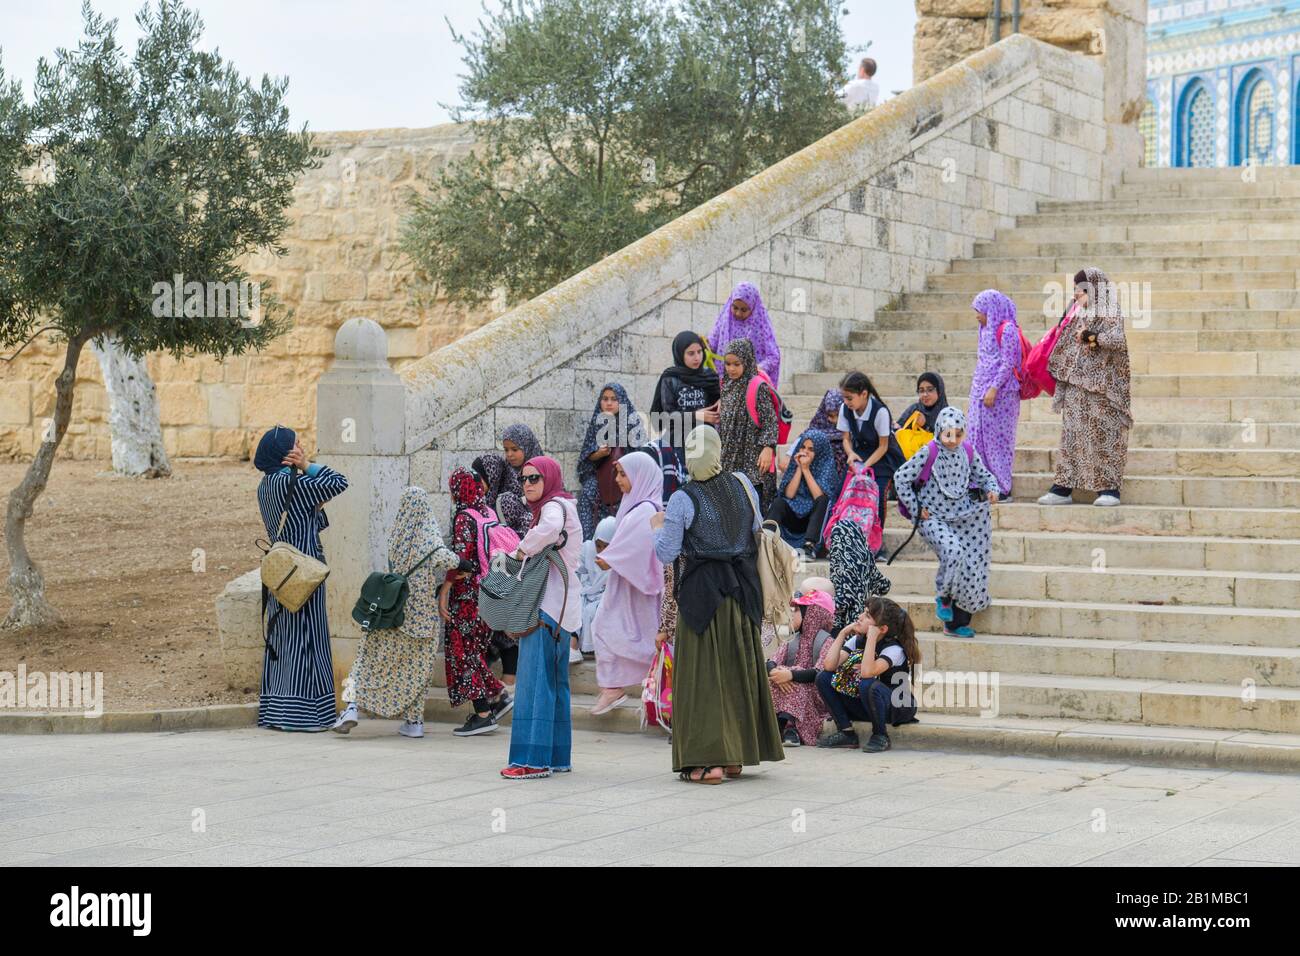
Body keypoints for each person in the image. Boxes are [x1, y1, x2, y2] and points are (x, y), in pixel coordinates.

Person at [652, 425, 784, 784]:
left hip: (701, 598)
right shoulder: (741, 483)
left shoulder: (683, 498)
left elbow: (667, 551)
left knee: (703, 680)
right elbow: (754, 529)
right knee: (736, 672)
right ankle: (736, 757)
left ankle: (707, 762)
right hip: (741, 591)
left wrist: (655, 532)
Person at [333, 486, 467, 738]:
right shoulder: (430, 538)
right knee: (418, 670)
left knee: (366, 660)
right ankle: (414, 722)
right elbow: (447, 559)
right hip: (422, 619)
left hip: (391, 611)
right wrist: (464, 563)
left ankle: (351, 707)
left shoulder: (397, 533)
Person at [254, 426, 349, 732]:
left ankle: (277, 711)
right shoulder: (294, 479)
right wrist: (307, 465)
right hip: (305, 571)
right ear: (285, 453)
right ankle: (307, 715)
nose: (301, 447)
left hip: (280, 573)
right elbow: (339, 482)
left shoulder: (266, 484)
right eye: (295, 445)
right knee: (308, 638)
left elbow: (306, 517)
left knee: (283, 640)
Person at [502, 456, 583, 779]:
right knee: (553, 684)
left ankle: (531, 760)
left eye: (534, 478)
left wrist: (521, 550)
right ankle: (556, 756)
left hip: (546, 609)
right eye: (523, 479)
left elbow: (548, 529)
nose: (528, 484)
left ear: (548, 478)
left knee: (534, 683)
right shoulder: (565, 506)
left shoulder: (554, 509)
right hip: (562, 610)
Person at [893, 406, 1000, 638]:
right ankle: (944, 596)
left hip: (964, 517)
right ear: (939, 431)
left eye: (958, 434)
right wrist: (915, 507)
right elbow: (901, 477)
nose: (952, 440)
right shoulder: (928, 452)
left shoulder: (968, 452)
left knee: (972, 563)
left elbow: (985, 476)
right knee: (953, 552)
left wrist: (992, 489)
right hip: (933, 518)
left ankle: (956, 622)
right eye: (947, 434)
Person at [1039, 267, 1133, 507]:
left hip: (1102, 389)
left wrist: (1091, 336)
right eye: (1075, 290)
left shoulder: (1109, 310)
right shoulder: (1078, 312)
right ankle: (1063, 487)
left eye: (1080, 290)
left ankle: (1109, 489)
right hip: (1075, 386)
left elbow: (1117, 340)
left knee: (1104, 437)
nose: (1076, 295)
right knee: (1071, 437)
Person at [589, 451, 665, 715]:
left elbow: (641, 546)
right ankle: (614, 687)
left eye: (624, 474)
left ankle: (624, 688)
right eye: (618, 474)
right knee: (607, 628)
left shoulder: (644, 509)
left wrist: (611, 559)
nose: (619, 480)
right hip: (627, 586)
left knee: (623, 632)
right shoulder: (635, 506)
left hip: (637, 589)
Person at [440, 468, 508, 736]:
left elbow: (460, 559)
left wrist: (445, 589)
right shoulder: (488, 512)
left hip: (468, 595)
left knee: (461, 652)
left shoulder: (464, 518)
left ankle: (483, 712)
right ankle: (497, 698)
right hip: (490, 591)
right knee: (472, 651)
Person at [815, 597, 920, 753]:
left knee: (868, 683)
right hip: (870, 704)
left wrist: (872, 636)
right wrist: (843, 633)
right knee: (823, 677)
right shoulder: (858, 640)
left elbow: (867, 673)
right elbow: (829, 665)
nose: (860, 617)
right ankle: (846, 732)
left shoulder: (894, 649)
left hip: (897, 706)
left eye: (867, 616)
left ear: (882, 629)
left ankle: (880, 735)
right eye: (863, 613)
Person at [470, 453, 529, 697]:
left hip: (509, 569)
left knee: (506, 629)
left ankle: (510, 679)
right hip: (493, 571)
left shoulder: (506, 500)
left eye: (480, 478)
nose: (477, 484)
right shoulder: (482, 504)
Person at [968, 290, 1023, 498]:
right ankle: (977, 485)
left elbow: (1009, 363)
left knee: (998, 444)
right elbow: (983, 360)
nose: (977, 315)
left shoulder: (1008, 330)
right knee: (976, 439)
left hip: (1002, 395)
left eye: (979, 310)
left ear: (991, 309)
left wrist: (993, 388)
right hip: (979, 393)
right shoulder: (983, 330)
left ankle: (1001, 488)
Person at [838, 370, 904, 543]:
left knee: (878, 494)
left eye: (850, 398)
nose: (846, 402)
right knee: (844, 492)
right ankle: (852, 539)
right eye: (844, 398)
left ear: (864, 394)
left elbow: (883, 446)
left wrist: (865, 466)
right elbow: (846, 439)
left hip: (883, 458)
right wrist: (851, 454)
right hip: (859, 456)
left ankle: (876, 541)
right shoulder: (845, 409)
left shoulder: (880, 412)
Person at [650, 330, 721, 487]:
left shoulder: (709, 377)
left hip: (705, 445)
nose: (697, 357)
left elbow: (718, 401)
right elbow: (666, 417)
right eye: (690, 353)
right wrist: (696, 416)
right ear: (680, 354)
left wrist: (722, 400)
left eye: (699, 352)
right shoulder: (670, 378)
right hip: (678, 445)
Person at [576, 383, 646, 539]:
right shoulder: (597, 423)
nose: (609, 403)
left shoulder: (631, 423)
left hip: (625, 480)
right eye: (605, 399)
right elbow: (584, 463)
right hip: (600, 482)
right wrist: (599, 454)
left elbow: (639, 457)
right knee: (588, 492)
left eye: (614, 399)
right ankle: (588, 545)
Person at [766, 589, 835, 746]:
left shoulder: (827, 641)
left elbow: (818, 673)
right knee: (775, 677)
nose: (791, 615)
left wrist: (791, 675)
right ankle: (776, 724)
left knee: (794, 679)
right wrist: (775, 672)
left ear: (813, 614)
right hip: (790, 689)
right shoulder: (793, 639)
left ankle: (790, 729)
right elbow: (771, 662)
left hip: (815, 697)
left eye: (796, 610)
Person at [718, 338, 779, 509]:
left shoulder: (757, 386)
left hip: (753, 460)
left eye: (736, 364)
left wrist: (768, 447)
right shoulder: (727, 386)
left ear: (747, 361)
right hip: (730, 459)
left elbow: (770, 420)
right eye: (728, 364)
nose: (731, 369)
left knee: (753, 509)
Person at [768, 429, 838, 559]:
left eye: (811, 449)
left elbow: (819, 496)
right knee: (779, 502)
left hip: (813, 522)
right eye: (803, 447)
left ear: (819, 451)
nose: (805, 452)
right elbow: (789, 495)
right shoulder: (796, 464)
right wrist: (800, 468)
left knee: (823, 501)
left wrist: (806, 469)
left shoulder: (826, 466)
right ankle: (766, 539)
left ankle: (809, 547)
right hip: (795, 517)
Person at [709, 282, 781, 387]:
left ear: (753, 308)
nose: (738, 313)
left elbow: (774, 357)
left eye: (744, 310)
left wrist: (758, 368)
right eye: (735, 308)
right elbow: (711, 345)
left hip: (751, 386)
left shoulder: (762, 326)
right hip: (725, 384)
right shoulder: (724, 321)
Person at [828, 520, 892, 634]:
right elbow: (884, 586)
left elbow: (845, 600)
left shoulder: (846, 565)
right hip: (865, 622)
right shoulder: (865, 558)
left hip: (847, 627)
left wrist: (822, 604)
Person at [576, 516, 617, 662]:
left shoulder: (620, 557)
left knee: (594, 610)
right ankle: (573, 647)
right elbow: (578, 570)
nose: (601, 551)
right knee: (576, 603)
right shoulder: (588, 548)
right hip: (588, 592)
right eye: (599, 546)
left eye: (607, 546)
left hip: (609, 595)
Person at [472, 453, 531, 537]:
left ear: (491, 477)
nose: (475, 482)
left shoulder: (507, 501)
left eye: (478, 478)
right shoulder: (488, 499)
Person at [805, 387, 848, 479]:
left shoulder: (851, 426)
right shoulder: (820, 422)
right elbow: (806, 437)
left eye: (836, 415)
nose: (831, 420)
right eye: (829, 415)